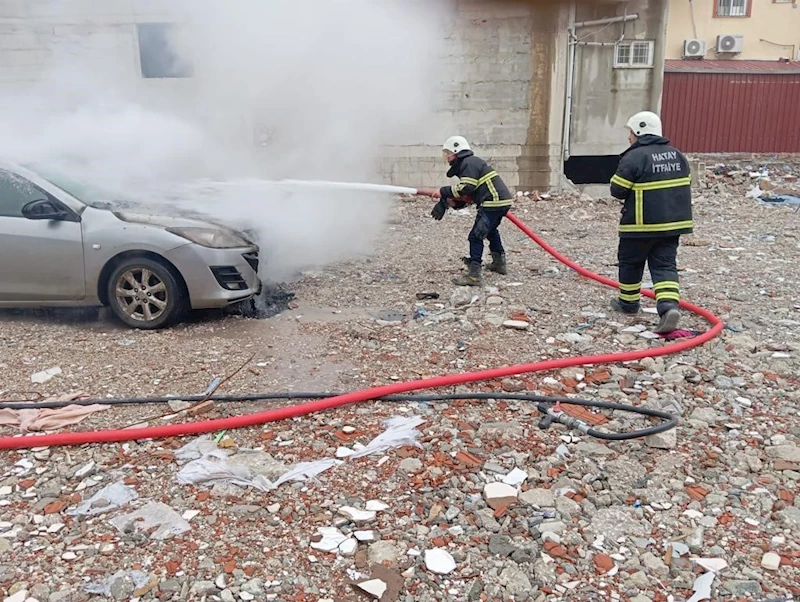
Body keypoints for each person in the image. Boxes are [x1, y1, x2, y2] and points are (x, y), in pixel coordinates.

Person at [609, 111, 693, 334]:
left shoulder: (634, 157)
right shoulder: (678, 156)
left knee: (630, 263)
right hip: (672, 225)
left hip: (639, 226)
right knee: (664, 266)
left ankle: (628, 304)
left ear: (638, 132)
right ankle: (668, 307)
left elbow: (617, 190)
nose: (629, 138)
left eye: (630, 132)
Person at [429, 136, 513, 286]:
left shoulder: (469, 163)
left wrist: (443, 191)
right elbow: (469, 195)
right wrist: (447, 202)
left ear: (456, 151)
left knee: (475, 237)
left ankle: (474, 275)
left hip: (492, 201)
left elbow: (467, 187)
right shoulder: (471, 164)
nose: (447, 157)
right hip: (499, 201)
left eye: (448, 152)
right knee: (491, 231)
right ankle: (499, 263)